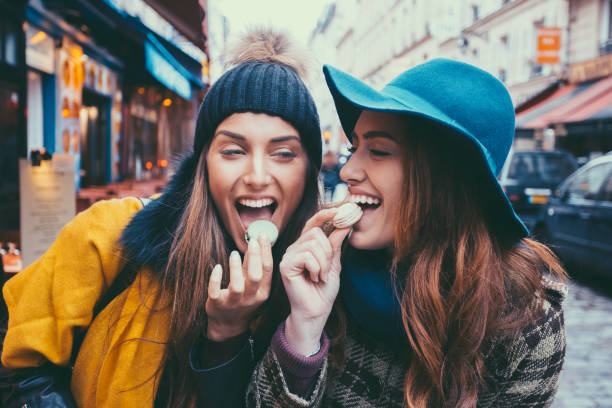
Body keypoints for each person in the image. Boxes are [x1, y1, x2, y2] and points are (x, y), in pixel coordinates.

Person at [1, 28, 322, 408]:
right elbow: (18, 368)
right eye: (233, 150)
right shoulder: (109, 234)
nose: (255, 176)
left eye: (283, 153)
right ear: (202, 164)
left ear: (309, 171)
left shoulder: (318, 288)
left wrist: (231, 332)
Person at [246, 59, 568, 407]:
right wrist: (304, 329)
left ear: (445, 181)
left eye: (379, 151)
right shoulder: (315, 270)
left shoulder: (526, 321)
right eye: (355, 148)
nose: (349, 170)